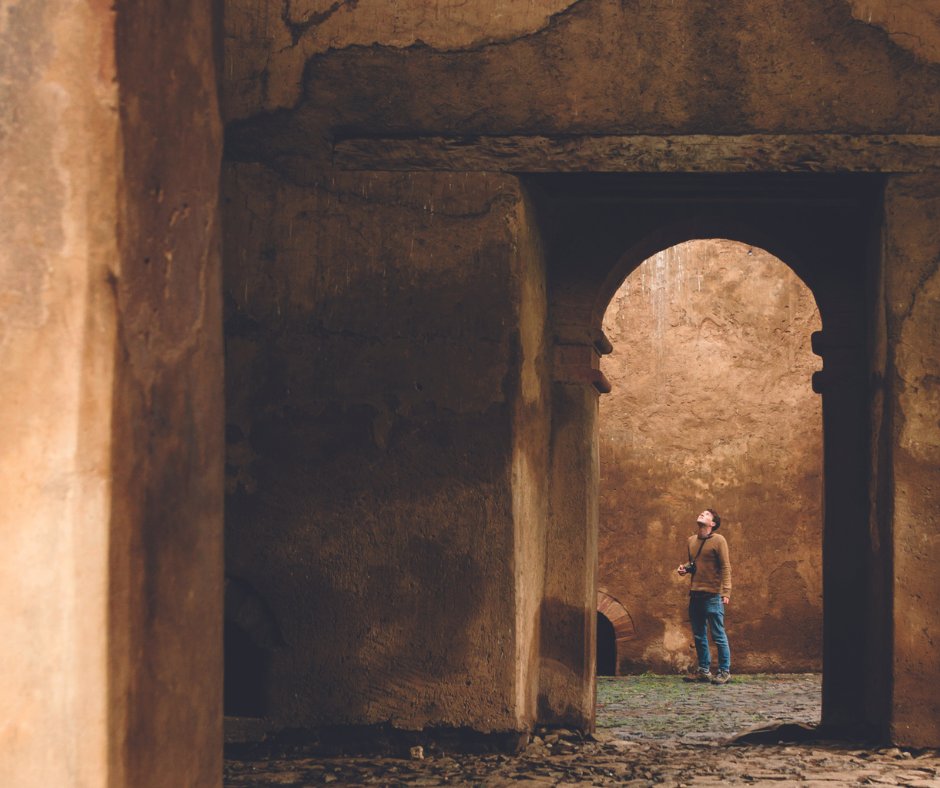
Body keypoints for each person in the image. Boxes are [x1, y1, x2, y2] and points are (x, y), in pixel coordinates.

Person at [677, 508, 732, 685]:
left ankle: (724, 671)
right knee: (699, 635)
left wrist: (726, 591)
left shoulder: (719, 540)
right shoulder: (691, 541)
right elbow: (695, 565)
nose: (702, 514)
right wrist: (685, 569)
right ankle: (704, 671)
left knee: (718, 635)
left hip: (713, 595)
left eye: (707, 514)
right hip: (695, 594)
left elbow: (725, 567)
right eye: (701, 513)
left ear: (713, 524)